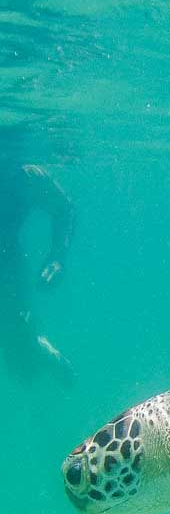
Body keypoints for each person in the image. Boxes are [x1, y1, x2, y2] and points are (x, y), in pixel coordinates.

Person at [0, 160, 75, 382]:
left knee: (22, 360)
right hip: (9, 263)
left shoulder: (22, 178)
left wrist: (57, 256)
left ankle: (35, 347)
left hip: (7, 265)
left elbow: (64, 207)